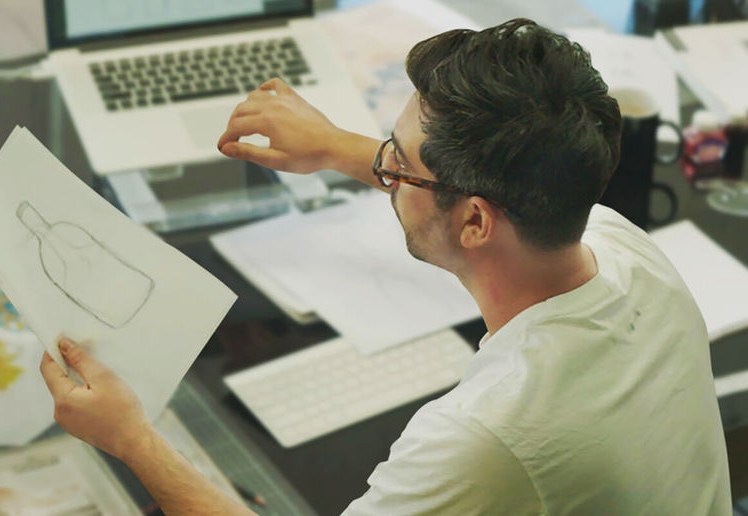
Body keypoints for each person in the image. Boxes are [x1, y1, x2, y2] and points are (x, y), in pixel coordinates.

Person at [39, 18, 733, 515]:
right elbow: (465, 195)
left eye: (396, 160)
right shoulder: (624, 246)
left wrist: (130, 437)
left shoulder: (485, 437)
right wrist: (336, 147)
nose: (385, 167)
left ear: (476, 222)